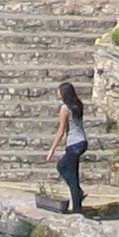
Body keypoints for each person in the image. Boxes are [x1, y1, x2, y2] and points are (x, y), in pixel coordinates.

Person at [48, 82, 89, 214]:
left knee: (61, 166)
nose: (57, 93)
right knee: (73, 173)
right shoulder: (78, 105)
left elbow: (61, 131)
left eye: (59, 91)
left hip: (73, 144)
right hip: (82, 141)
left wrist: (52, 150)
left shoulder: (65, 108)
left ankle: (77, 192)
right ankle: (77, 207)